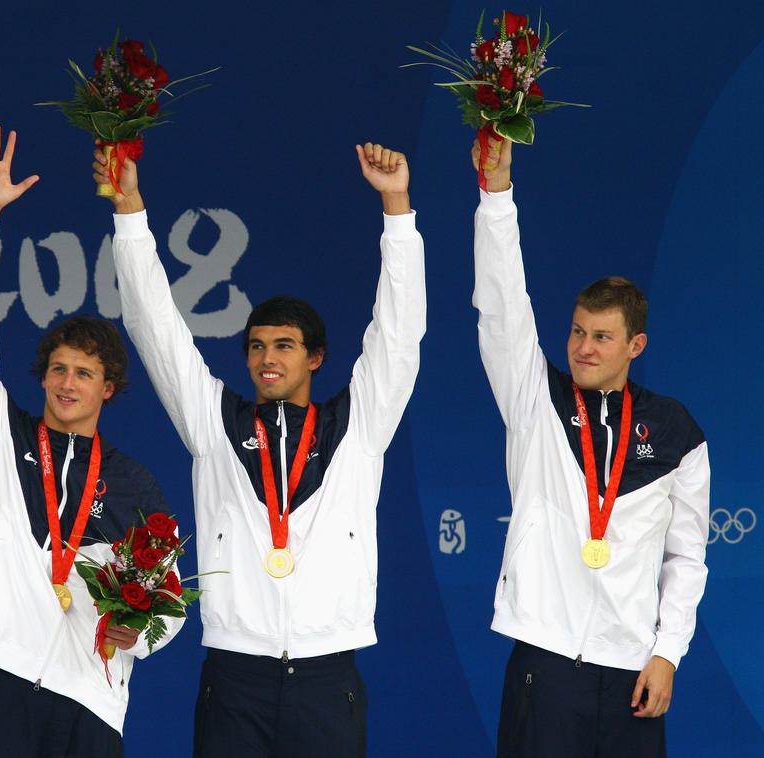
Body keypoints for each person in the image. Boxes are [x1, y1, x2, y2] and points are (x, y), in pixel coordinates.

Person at [99, 141, 426, 756]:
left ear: (315, 358)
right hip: (235, 676)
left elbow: (400, 334)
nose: (266, 358)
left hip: (329, 674)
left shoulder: (358, 425)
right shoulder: (214, 422)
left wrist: (397, 208)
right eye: (256, 346)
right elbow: (156, 328)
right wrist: (130, 212)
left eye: (283, 345)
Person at [0, 125, 182, 758]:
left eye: (84, 373)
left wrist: (141, 635)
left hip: (92, 697)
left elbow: (169, 594)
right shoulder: (0, 436)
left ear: (109, 388)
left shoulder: (133, 483)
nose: (68, 383)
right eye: (58, 370)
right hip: (5, 677)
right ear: (43, 376)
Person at [471, 135, 709, 757]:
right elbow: (501, 307)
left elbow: (686, 558)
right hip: (544, 662)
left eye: (602, 337)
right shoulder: (535, 399)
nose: (583, 348)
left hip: (633, 671)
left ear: (636, 346)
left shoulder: (677, 431)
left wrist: (667, 654)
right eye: (577, 331)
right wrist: (496, 195)